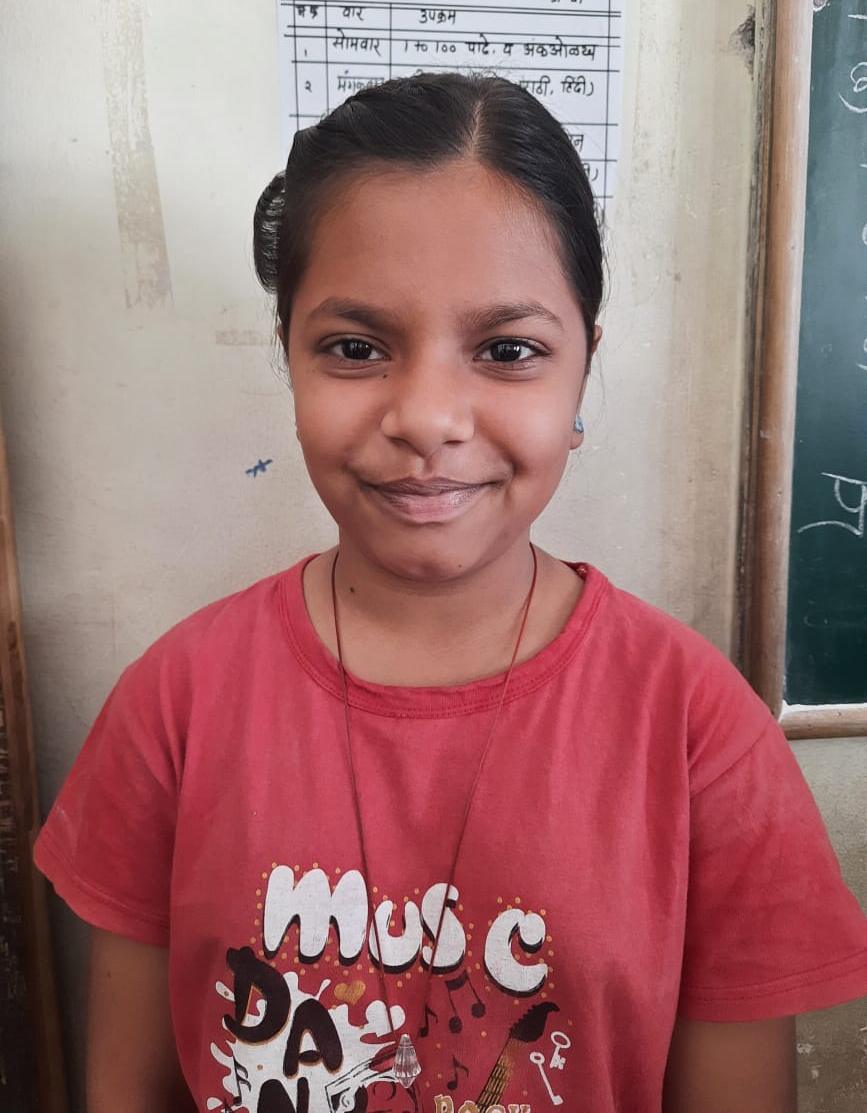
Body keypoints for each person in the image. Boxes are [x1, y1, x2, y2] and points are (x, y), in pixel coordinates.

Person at [35, 72, 867, 1113]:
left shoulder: (700, 735)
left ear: (582, 370)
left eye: (508, 350)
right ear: (288, 357)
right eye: (355, 348)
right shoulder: (175, 706)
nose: (427, 416)